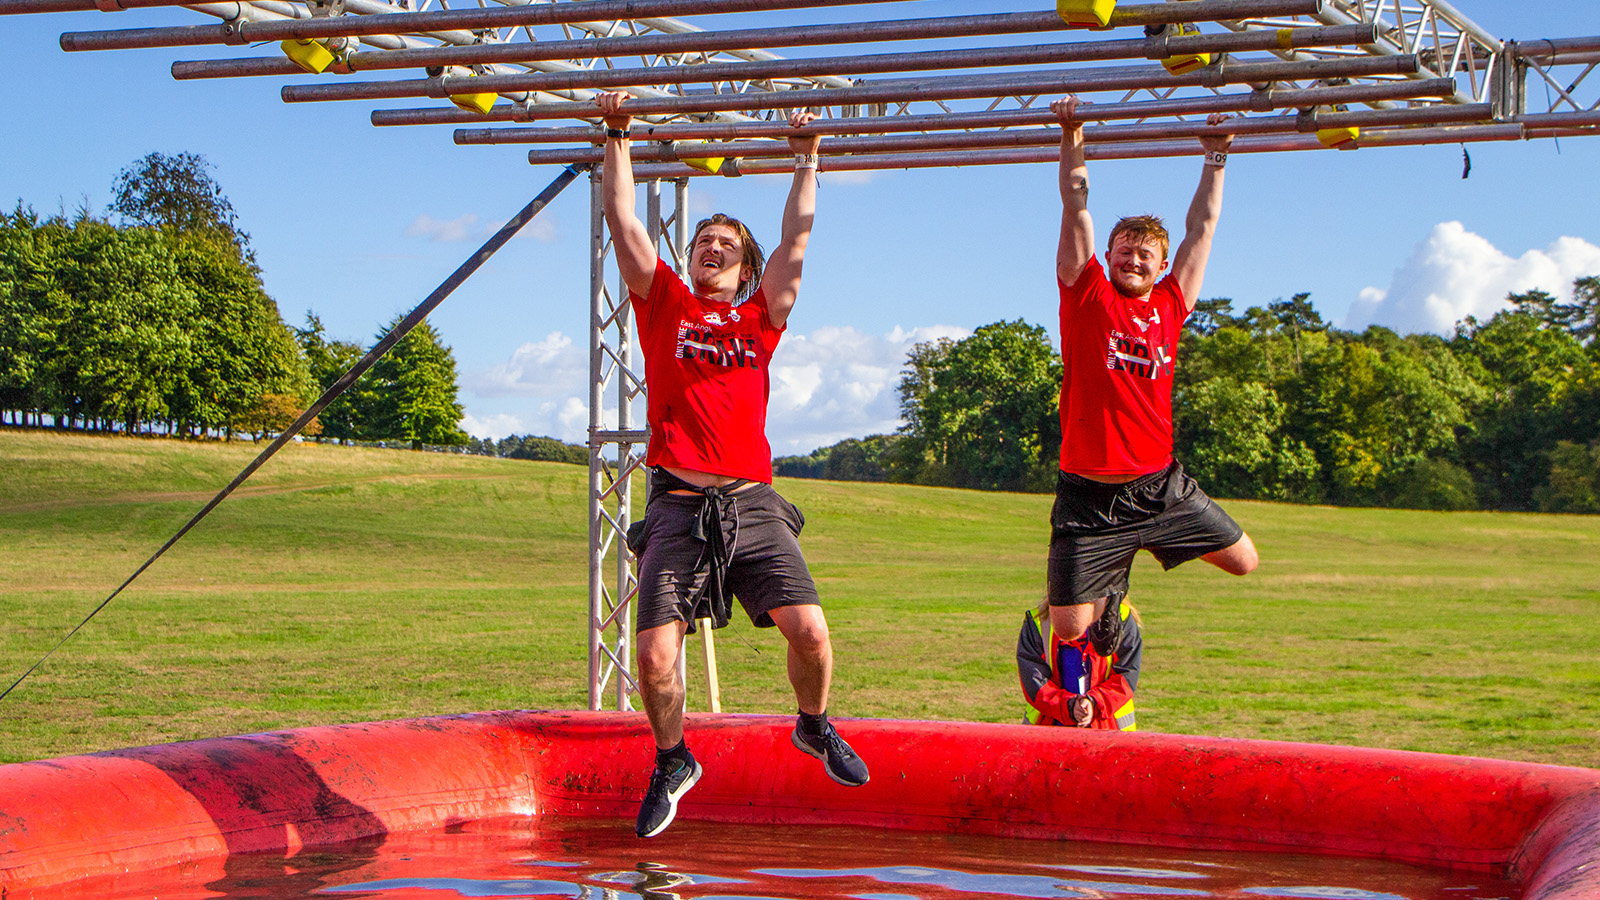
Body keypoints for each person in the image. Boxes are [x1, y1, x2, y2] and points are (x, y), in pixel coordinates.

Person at [596, 90, 869, 840]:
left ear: (746, 265)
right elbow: (623, 223)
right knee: (653, 655)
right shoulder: (666, 307)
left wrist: (807, 158)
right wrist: (618, 134)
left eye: (724, 244)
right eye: (702, 242)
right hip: (680, 502)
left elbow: (798, 244)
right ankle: (673, 758)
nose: (709, 249)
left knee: (810, 633)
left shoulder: (761, 318)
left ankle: (813, 724)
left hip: (751, 501)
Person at [1045, 94, 1260, 655]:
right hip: (1086, 496)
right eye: (1125, 251)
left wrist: (1215, 157)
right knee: (1067, 630)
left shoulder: (1172, 302)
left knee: (1244, 561)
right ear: (1109, 256)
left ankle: (1125, 560)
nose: (1134, 261)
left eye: (1145, 255)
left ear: (1162, 266)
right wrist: (1073, 133)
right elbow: (1075, 208)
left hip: (1159, 488)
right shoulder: (1086, 294)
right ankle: (1109, 577)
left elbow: (1204, 228)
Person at [1017, 597, 1141, 730]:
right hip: (1051, 734)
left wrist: (1094, 703)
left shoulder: (1122, 618)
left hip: (1109, 735)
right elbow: (1034, 681)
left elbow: (1126, 677)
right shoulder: (1039, 622)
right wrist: (1069, 706)